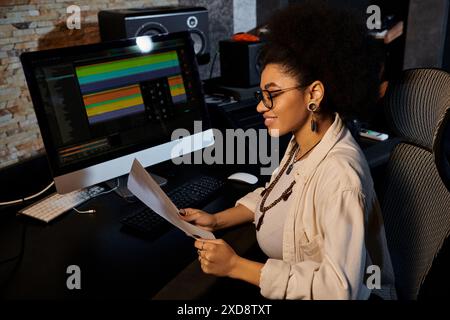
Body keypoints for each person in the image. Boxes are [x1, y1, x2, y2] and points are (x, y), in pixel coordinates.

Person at [179, 1, 397, 300]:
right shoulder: (306, 140)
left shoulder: (339, 176)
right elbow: (280, 194)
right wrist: (216, 220)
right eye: (261, 95)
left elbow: (338, 289)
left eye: (273, 95)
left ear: (314, 94)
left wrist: (235, 266)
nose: (260, 106)